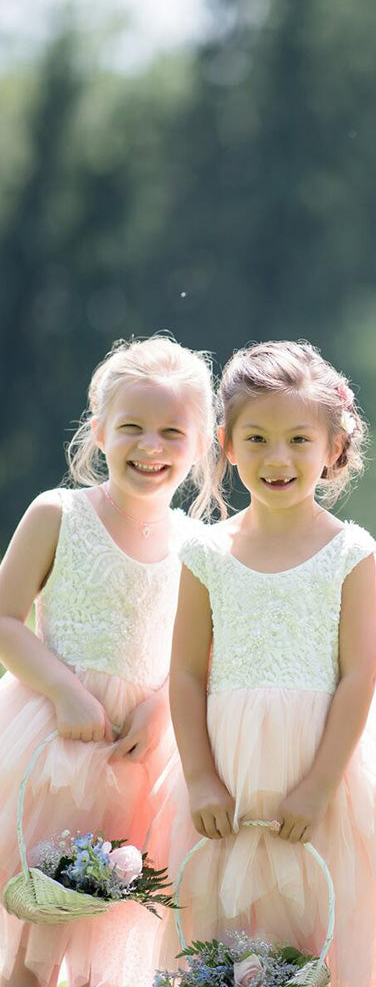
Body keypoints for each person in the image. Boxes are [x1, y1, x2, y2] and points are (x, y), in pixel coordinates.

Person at [161, 341, 376, 985]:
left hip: (320, 770)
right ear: (228, 443)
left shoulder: (350, 551)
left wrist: (320, 784)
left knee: (313, 934)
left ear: (333, 446)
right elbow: (185, 672)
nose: (278, 458)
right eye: (258, 439)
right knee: (223, 931)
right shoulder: (206, 552)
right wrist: (201, 778)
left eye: (299, 439)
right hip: (228, 764)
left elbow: (359, 675)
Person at [0, 336, 217, 987]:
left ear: (201, 444)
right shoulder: (59, 515)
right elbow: (5, 616)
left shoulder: (198, 547)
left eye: (172, 432)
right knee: (39, 938)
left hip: (137, 764)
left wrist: (159, 710)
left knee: (108, 941)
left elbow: (202, 656)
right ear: (98, 431)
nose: (151, 447)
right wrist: (64, 691)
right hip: (54, 749)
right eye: (132, 429)